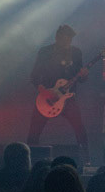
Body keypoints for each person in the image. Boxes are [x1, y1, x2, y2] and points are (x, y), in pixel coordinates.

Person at [26, 24, 88, 160]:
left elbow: (81, 78)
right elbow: (34, 75)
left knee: (80, 128)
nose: (67, 41)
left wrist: (84, 75)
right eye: (65, 38)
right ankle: (28, 160)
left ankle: (86, 160)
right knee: (34, 131)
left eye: (69, 39)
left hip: (67, 97)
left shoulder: (76, 52)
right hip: (47, 96)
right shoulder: (45, 52)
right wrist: (42, 90)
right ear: (57, 37)